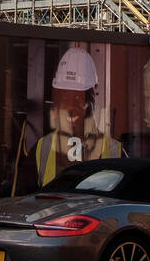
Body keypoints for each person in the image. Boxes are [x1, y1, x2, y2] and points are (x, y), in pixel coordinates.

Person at [34, 46, 123, 185]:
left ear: (93, 95)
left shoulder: (114, 151)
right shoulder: (42, 148)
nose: (70, 106)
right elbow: (21, 201)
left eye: (78, 97)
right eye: (64, 97)